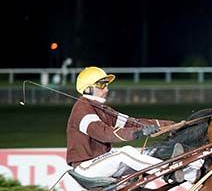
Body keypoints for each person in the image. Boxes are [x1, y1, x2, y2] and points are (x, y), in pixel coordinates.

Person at [66, 66, 200, 182]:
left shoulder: (102, 109)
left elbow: (133, 123)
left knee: (149, 153)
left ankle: (191, 172)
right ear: (88, 89)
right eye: (102, 85)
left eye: (106, 85)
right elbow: (104, 133)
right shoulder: (82, 110)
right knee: (126, 153)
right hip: (85, 168)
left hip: (100, 163)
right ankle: (174, 173)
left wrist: (171, 125)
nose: (106, 89)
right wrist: (138, 133)